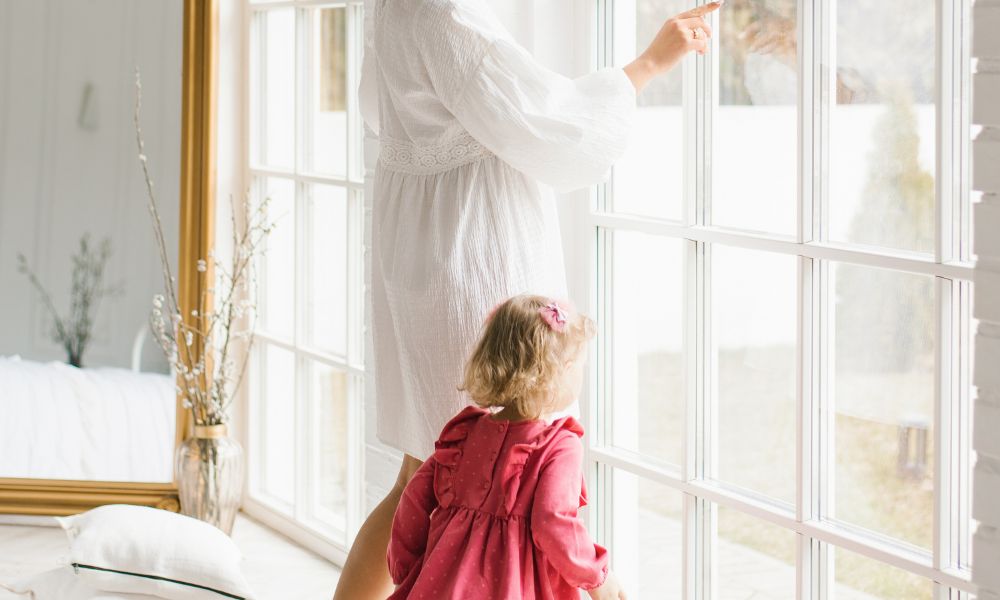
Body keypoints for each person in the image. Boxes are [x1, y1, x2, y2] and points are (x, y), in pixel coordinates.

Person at [333, 1, 721, 598]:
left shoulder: (393, 7)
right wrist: (648, 63)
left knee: (424, 470)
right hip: (471, 247)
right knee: (516, 459)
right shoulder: (446, 13)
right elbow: (550, 124)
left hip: (417, 244)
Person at [387, 295, 622, 599]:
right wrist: (597, 578)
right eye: (580, 366)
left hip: (441, 584)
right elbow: (554, 523)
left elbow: (413, 501)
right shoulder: (558, 446)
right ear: (562, 371)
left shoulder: (464, 435)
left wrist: (408, 569)